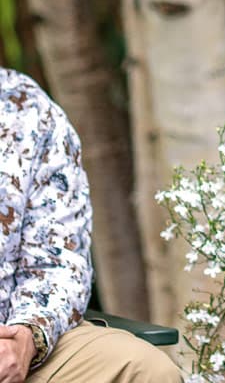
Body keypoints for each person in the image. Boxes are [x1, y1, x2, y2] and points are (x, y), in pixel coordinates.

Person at [0, 67, 182, 383]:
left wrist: (28, 336)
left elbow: (57, 262)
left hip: (16, 341)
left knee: (145, 371)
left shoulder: (25, 107)